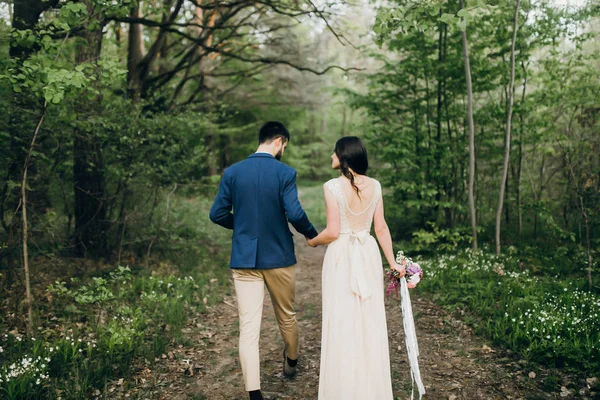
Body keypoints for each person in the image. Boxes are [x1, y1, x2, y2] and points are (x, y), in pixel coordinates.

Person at [209, 121, 318, 400]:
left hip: (244, 259)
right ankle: (291, 361)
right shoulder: (285, 173)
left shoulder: (233, 172)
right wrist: (311, 234)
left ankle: (254, 394)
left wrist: (243, 225)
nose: (284, 150)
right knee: (286, 315)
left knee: (248, 327)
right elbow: (294, 213)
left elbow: (217, 213)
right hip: (278, 256)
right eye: (285, 146)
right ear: (279, 141)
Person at [307, 136, 406, 399]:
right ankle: (370, 388)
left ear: (344, 157)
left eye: (334, 152)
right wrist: (393, 262)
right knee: (368, 320)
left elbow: (332, 232)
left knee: (341, 319)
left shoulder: (331, 186)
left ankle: (344, 388)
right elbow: (381, 228)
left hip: (342, 254)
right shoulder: (375, 185)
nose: (331, 156)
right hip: (368, 253)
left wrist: (313, 241)